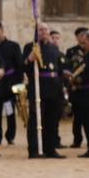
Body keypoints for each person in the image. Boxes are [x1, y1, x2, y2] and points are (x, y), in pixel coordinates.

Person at [23, 24, 65, 158]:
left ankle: (50, 149)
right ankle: (34, 150)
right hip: (39, 88)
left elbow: (59, 67)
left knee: (52, 120)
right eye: (41, 30)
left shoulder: (54, 48)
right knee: (36, 121)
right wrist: (29, 59)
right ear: (36, 32)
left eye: (46, 29)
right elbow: (23, 67)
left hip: (54, 88)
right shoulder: (30, 47)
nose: (44, 32)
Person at [0, 21, 23, 147]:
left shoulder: (13, 46)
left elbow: (19, 67)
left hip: (10, 85)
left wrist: (18, 85)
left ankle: (10, 136)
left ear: (2, 31)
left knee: (10, 112)